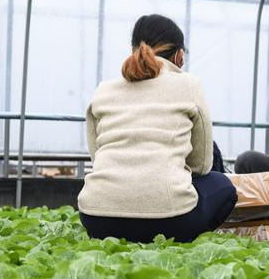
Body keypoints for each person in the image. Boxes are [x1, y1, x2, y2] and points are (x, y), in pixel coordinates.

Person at [77, 14, 237, 243]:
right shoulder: (189, 85)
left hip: (97, 218)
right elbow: (201, 164)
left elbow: (98, 156)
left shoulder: (103, 90)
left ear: (133, 50)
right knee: (223, 186)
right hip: (170, 220)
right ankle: (184, 239)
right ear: (179, 56)